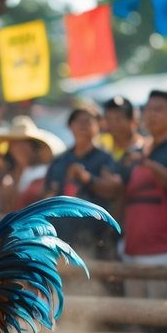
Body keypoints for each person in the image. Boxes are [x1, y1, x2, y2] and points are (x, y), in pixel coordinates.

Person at [112, 90, 167, 300]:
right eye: (147, 109)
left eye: (158, 110)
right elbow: (121, 195)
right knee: (135, 319)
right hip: (132, 250)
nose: (151, 115)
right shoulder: (133, 152)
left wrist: (147, 164)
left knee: (164, 319)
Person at [42, 106, 118, 258]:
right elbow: (46, 195)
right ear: (70, 126)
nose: (83, 124)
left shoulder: (106, 159)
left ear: (99, 126)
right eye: (78, 120)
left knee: (90, 279)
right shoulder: (59, 161)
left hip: (95, 238)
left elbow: (112, 191)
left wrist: (86, 178)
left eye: (88, 120)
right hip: (60, 238)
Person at [0, 116, 58, 213]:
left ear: (34, 147)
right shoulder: (6, 176)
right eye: (16, 143)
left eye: (25, 143)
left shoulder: (43, 172)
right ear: (10, 148)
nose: (20, 147)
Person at [101, 96, 143, 161]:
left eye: (118, 119)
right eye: (108, 119)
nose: (113, 124)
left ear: (133, 121)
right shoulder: (101, 145)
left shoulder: (144, 149)